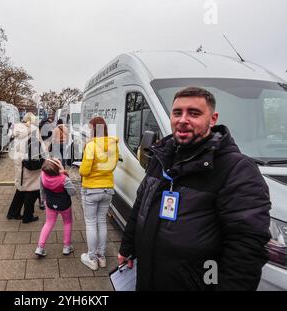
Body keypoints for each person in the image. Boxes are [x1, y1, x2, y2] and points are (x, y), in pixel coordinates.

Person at [118, 86, 271, 291]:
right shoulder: (162, 156)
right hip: (148, 278)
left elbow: (246, 249)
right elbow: (141, 206)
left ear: (213, 118)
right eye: (177, 112)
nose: (182, 119)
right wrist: (128, 247)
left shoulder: (237, 169)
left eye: (194, 113)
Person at [79, 117, 119, 270]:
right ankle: (102, 256)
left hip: (91, 189)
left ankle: (92, 258)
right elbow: (112, 166)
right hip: (107, 188)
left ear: (94, 129)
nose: (89, 131)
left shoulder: (91, 145)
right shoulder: (113, 145)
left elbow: (84, 170)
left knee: (90, 223)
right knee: (101, 221)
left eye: (90, 128)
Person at [6, 112, 47, 223]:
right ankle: (28, 216)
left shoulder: (17, 130)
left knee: (21, 188)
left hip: (20, 164)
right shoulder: (34, 130)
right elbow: (41, 149)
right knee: (32, 190)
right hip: (31, 166)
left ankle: (13, 213)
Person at [34, 158, 76, 257]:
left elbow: (42, 190)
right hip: (64, 205)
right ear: (58, 168)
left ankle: (40, 247)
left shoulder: (43, 175)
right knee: (67, 223)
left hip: (50, 203)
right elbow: (72, 192)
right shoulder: (63, 179)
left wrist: (43, 200)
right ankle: (66, 247)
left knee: (48, 223)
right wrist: (64, 173)